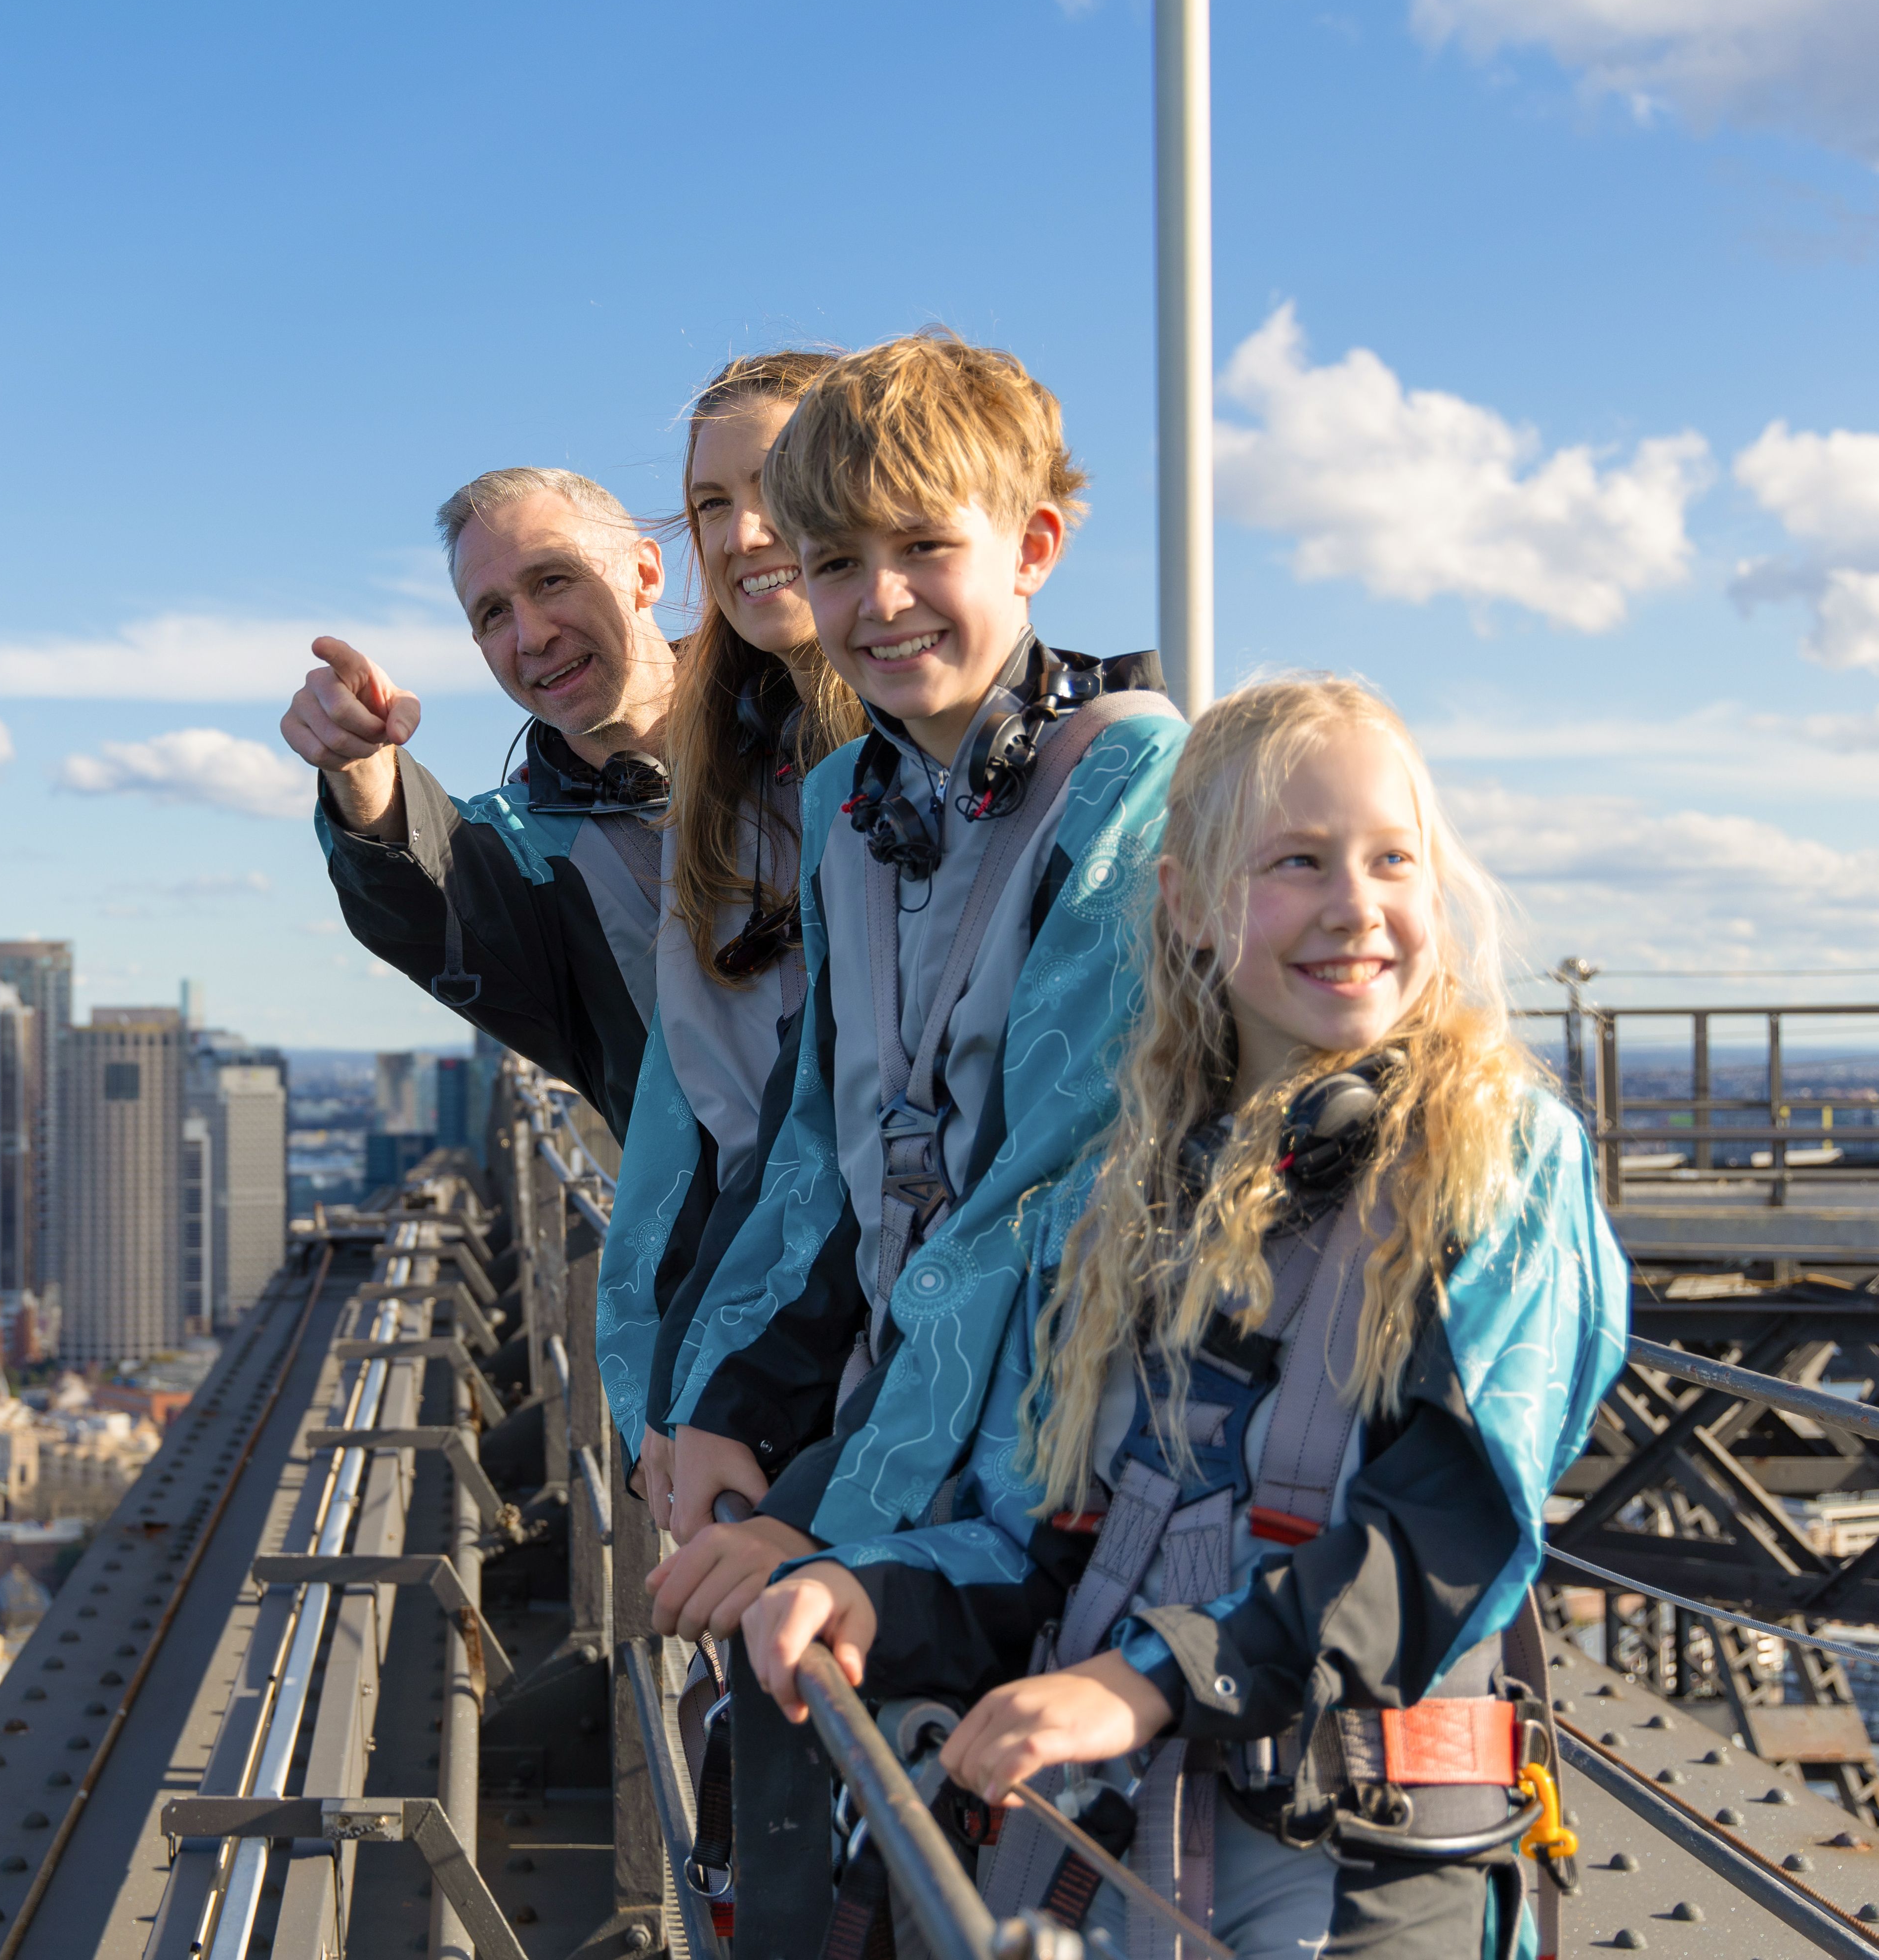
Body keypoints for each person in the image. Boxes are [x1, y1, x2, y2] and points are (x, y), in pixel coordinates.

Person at [742, 674, 1629, 1960]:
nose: (1352, 904)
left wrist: (1142, 1681)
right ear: (1190, 907)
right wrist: (868, 1592)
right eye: (1293, 861)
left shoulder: (1497, 1161)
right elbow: (1052, 1536)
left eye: (1393, 858)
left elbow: (1438, 1540)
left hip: (1352, 1855)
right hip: (1112, 1840)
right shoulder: (1128, 1195)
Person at [645, 333, 1181, 1631]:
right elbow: (820, 1149)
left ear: (1032, 546)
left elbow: (1037, 1198)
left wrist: (821, 1508)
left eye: (921, 549)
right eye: (836, 563)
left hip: (1070, 1468)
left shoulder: (1123, 781)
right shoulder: (851, 803)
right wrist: (730, 1408)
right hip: (909, 1437)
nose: (878, 602)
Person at [591, 349, 864, 1513]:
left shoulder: (928, 774)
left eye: (778, 484)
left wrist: (707, 1388)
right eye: (712, 503)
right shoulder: (735, 765)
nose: (745, 532)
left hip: (861, 1370)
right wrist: (668, 1380)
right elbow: (698, 1123)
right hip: (755, 1363)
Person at [287, 467, 679, 1138]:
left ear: (644, 574)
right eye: (493, 614)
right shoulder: (520, 853)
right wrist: (363, 766)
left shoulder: (816, 724)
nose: (529, 637)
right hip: (723, 1239)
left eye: (552, 579)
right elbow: (423, 889)